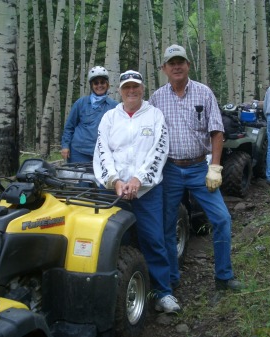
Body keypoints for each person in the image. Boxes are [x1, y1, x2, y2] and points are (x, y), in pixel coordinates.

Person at [149, 44, 243, 293]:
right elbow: (147, 134)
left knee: (222, 219)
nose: (177, 66)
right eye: (172, 63)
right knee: (167, 225)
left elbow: (217, 131)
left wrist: (215, 167)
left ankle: (224, 276)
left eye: (181, 61)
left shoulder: (203, 93)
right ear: (164, 69)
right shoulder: (157, 98)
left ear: (188, 65)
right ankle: (171, 278)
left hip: (199, 167)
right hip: (169, 170)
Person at [93, 70, 180, 314]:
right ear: (119, 91)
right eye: (127, 87)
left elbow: (159, 150)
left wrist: (138, 179)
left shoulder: (154, 115)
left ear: (143, 89)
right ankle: (118, 293)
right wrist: (114, 180)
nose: (132, 91)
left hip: (147, 191)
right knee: (114, 243)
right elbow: (102, 151)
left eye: (136, 87)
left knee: (153, 239)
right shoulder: (110, 117)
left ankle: (163, 292)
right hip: (114, 191)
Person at [61, 66, 118, 163]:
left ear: (107, 84)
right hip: (78, 152)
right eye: (96, 83)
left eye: (102, 82)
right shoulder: (81, 103)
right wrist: (65, 146)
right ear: (91, 85)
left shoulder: (114, 106)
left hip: (103, 153)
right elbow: (69, 127)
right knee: (76, 177)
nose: (99, 85)